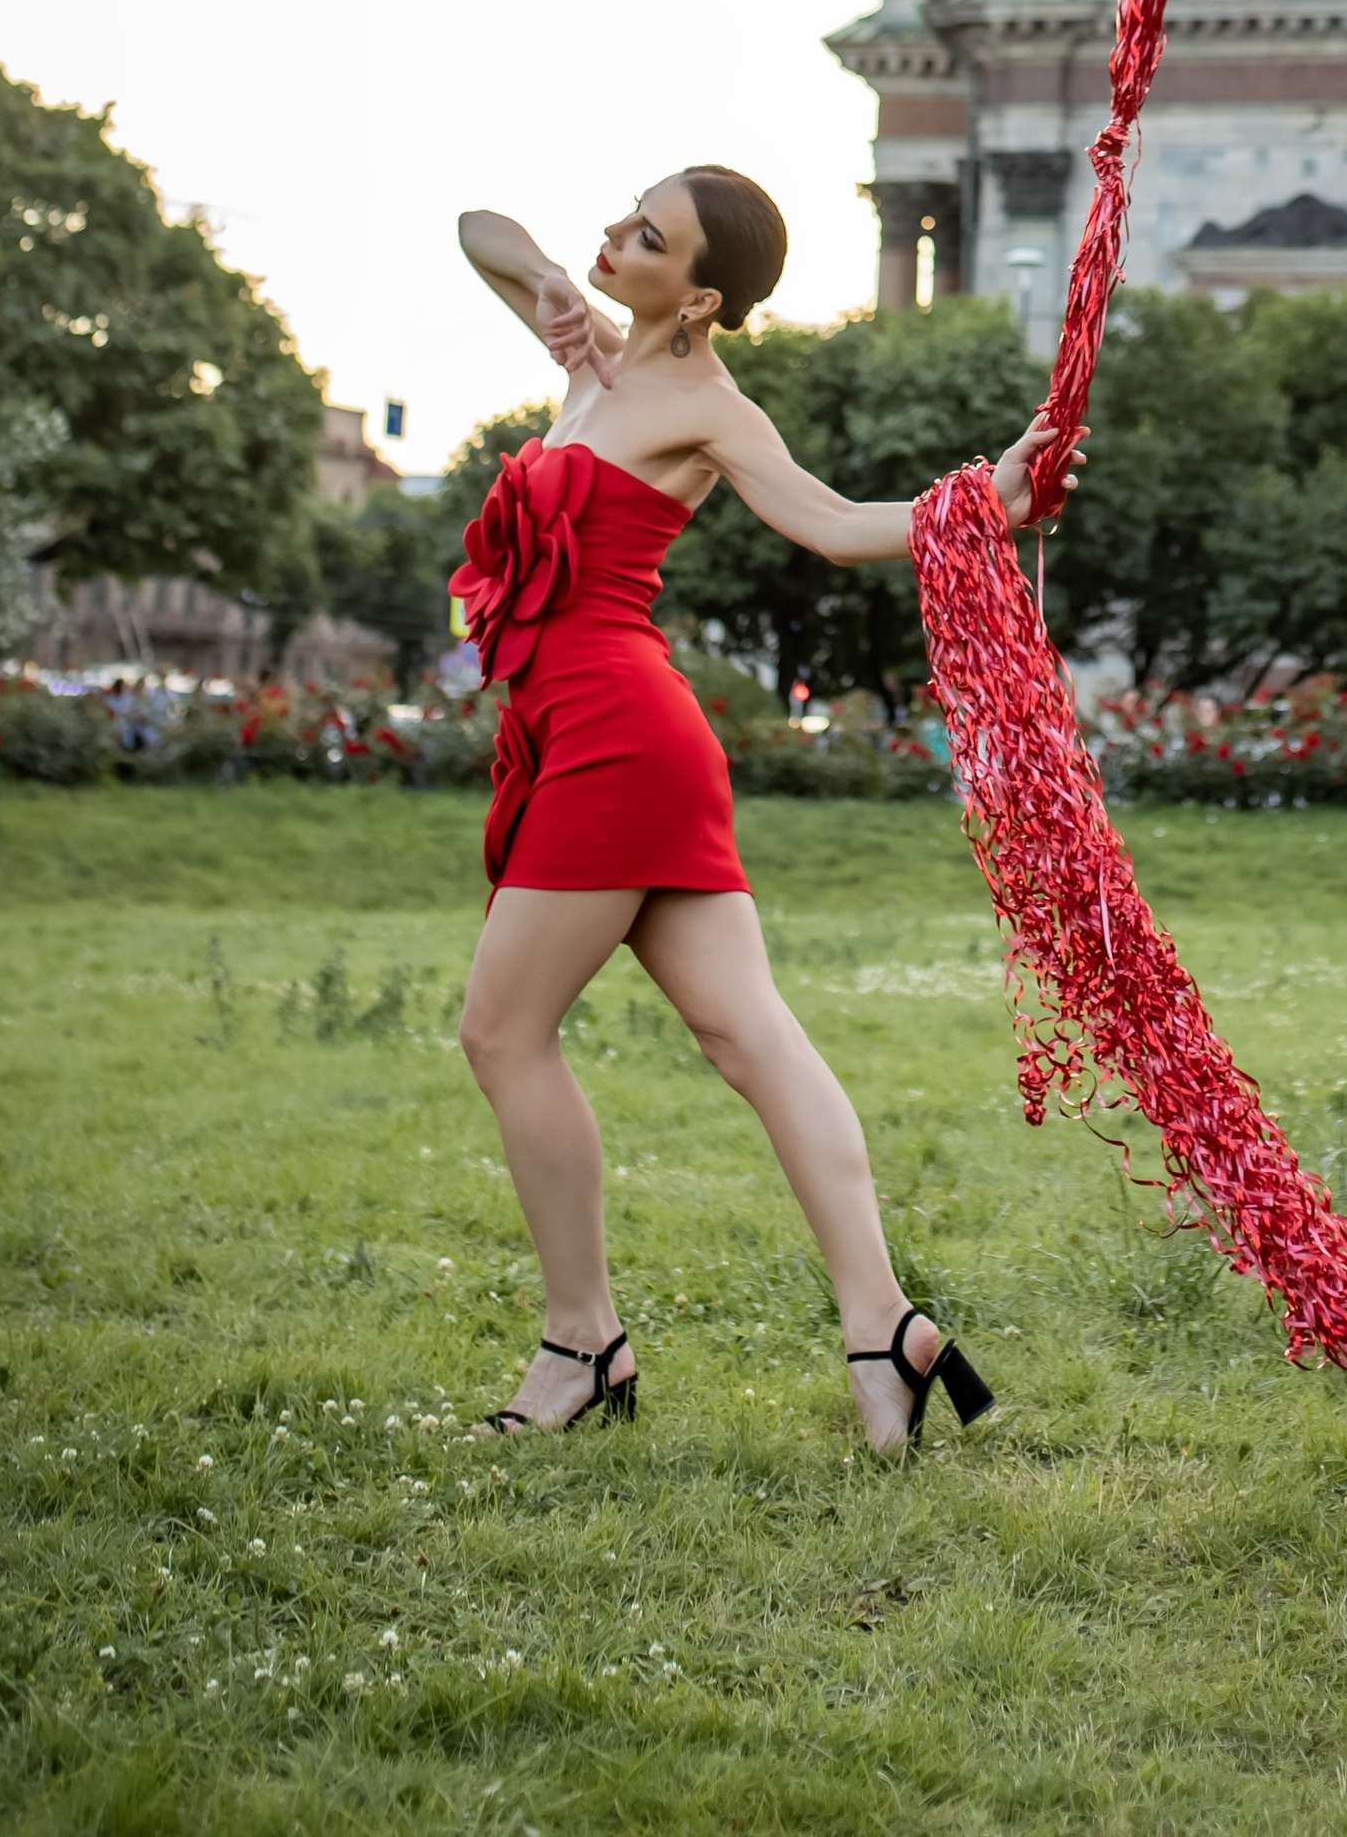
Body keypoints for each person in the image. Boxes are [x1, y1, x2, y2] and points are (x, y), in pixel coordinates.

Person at [449, 165, 1079, 1454]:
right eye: (625, 220)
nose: (615, 241)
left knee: (503, 1035)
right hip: (587, 728)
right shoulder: (593, 358)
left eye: (648, 239)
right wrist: (557, 293)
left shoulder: (707, 407)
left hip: (619, 739)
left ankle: (583, 1340)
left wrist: (986, 500)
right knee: (749, 1038)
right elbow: (477, 231)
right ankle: (885, 1329)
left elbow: (838, 525)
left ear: (703, 295)